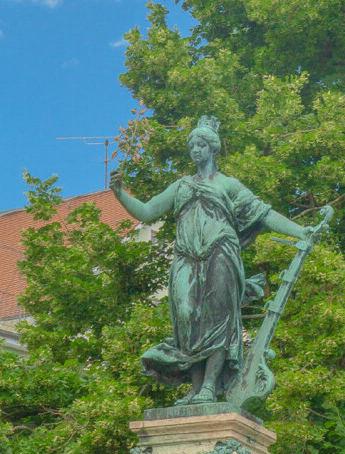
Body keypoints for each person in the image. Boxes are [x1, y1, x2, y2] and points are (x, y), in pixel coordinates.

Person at [111, 115, 309, 403]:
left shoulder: (228, 184)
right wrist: (119, 194)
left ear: (213, 148)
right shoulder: (181, 185)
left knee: (218, 320)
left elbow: (264, 214)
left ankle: (208, 387)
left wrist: (301, 230)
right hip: (186, 259)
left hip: (220, 253)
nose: (195, 150)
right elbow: (146, 212)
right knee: (186, 316)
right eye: (192, 145)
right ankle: (195, 385)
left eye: (201, 144)